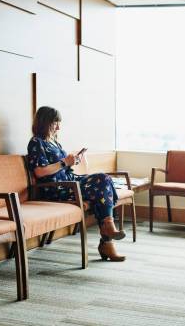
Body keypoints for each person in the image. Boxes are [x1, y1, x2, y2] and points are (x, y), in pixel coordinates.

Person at [26, 106, 126, 262]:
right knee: (101, 186)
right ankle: (107, 238)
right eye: (55, 123)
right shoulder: (36, 143)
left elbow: (62, 166)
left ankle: (108, 231)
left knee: (104, 179)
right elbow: (39, 172)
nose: (58, 127)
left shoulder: (54, 142)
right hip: (56, 189)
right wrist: (64, 162)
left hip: (68, 182)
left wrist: (72, 162)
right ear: (45, 123)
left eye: (59, 123)